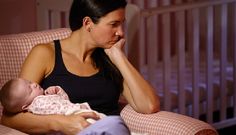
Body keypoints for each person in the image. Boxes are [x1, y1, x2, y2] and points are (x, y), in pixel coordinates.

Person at [1, 0, 160, 134]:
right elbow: (10, 118)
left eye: (122, 24)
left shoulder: (110, 58)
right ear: (87, 23)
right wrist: (60, 123)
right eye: (114, 24)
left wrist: (120, 58)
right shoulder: (45, 54)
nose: (121, 33)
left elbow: (149, 106)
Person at [0, 78, 106, 124]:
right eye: (30, 89)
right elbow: (56, 113)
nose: (34, 84)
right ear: (25, 106)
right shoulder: (36, 106)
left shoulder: (45, 96)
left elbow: (65, 101)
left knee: (104, 120)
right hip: (72, 116)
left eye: (30, 82)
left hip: (77, 110)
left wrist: (58, 91)